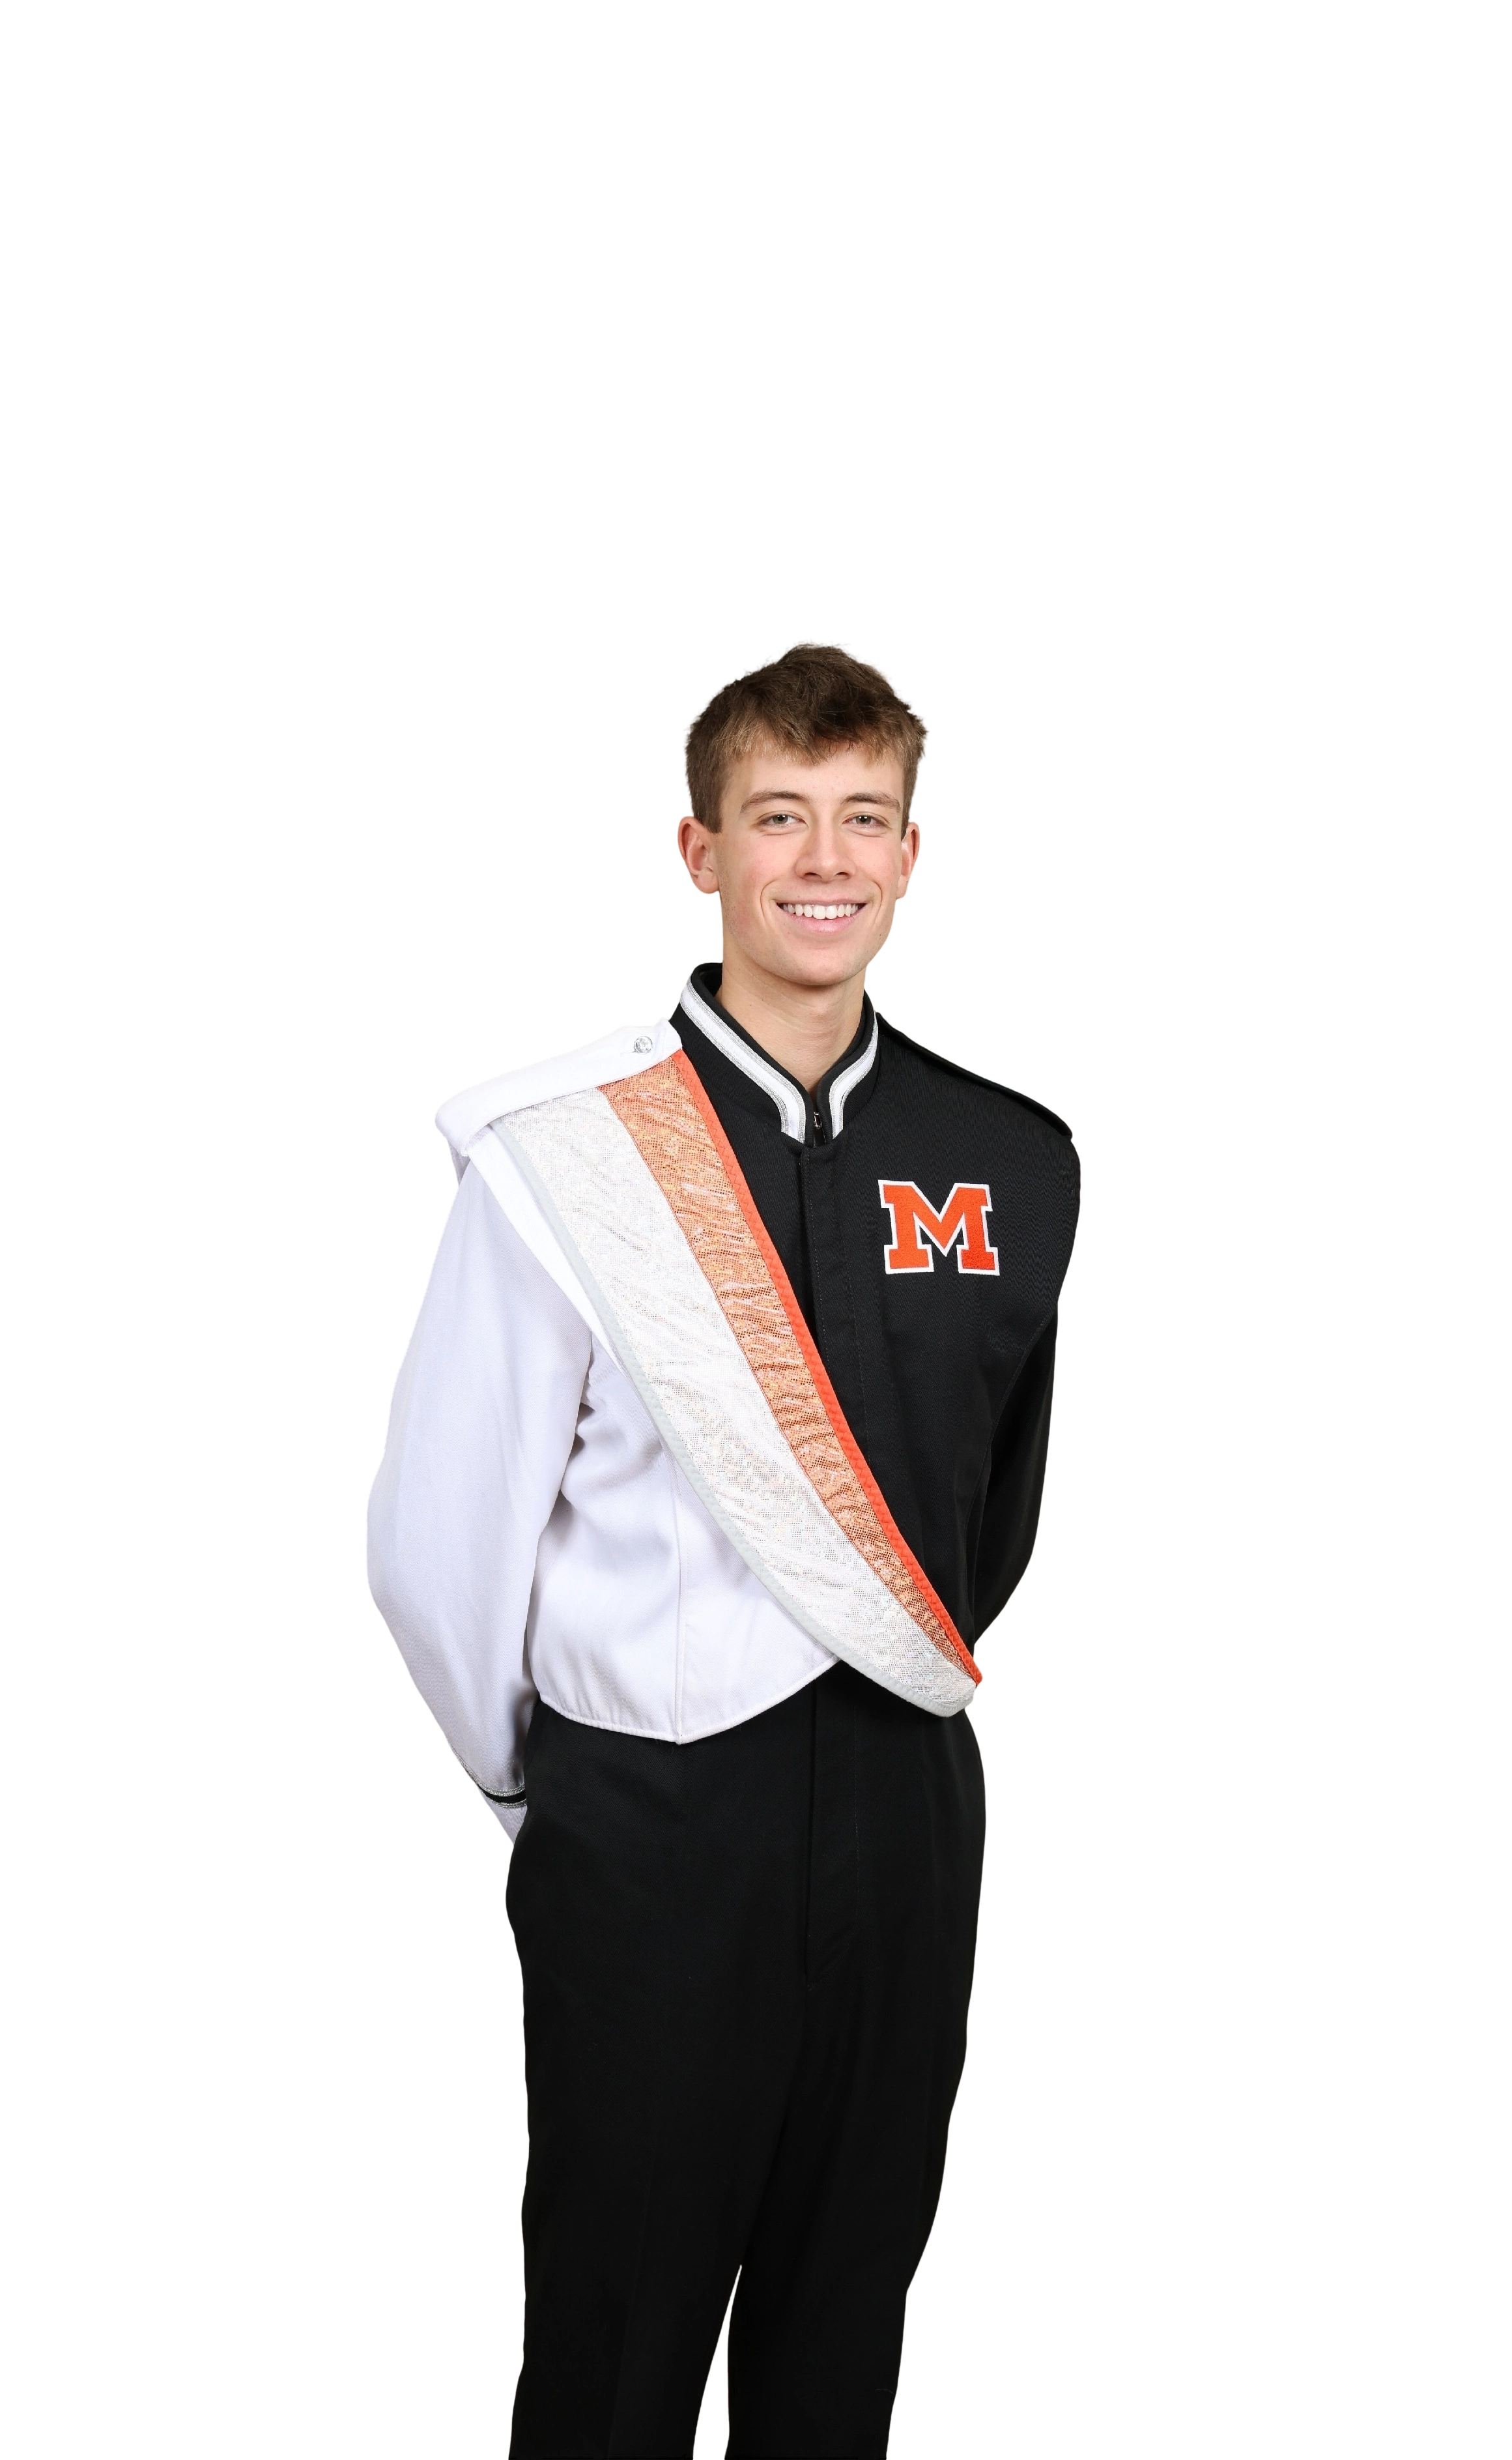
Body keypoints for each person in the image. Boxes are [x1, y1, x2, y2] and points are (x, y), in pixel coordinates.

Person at [365, 639, 1081, 2459]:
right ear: (701, 850)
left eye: (864, 817)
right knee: (616, 2336)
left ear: (913, 852)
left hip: (908, 1799)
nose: (824, 860)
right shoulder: (561, 1153)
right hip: (648, 1815)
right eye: (778, 816)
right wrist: (555, 1796)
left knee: (845, 2327)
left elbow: (991, 1510)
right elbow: (436, 1543)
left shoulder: (1013, 1155)